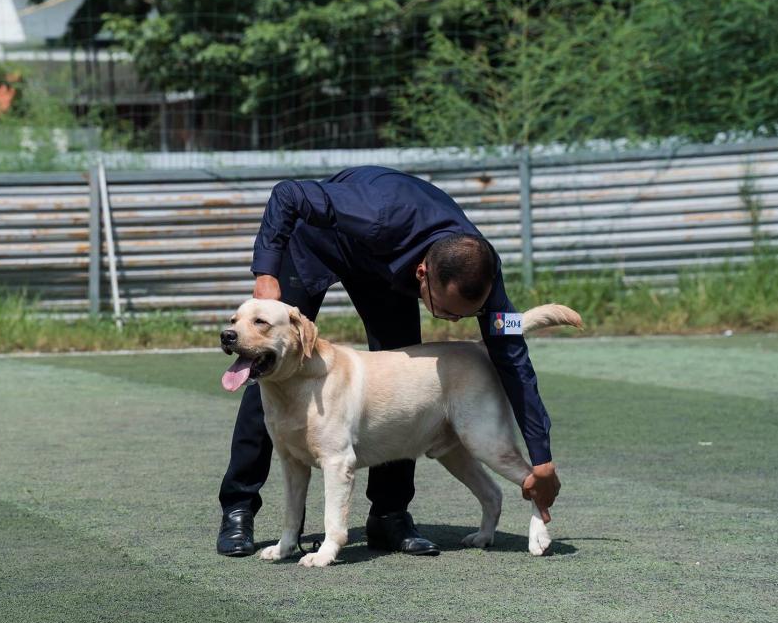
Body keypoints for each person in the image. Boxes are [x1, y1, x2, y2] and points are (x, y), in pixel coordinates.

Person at [217, 165, 561, 557]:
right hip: (321, 243)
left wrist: (542, 457)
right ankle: (239, 508)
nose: (453, 321)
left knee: (405, 387)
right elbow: (287, 194)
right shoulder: (376, 211)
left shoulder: (481, 271)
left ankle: (390, 515)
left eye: (465, 315)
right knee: (263, 362)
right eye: (447, 312)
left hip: (388, 271)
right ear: (424, 276)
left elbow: (515, 360)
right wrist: (266, 273)